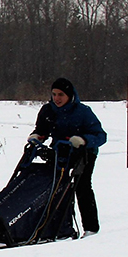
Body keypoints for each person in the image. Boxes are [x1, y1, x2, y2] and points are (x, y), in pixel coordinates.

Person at [27, 77, 107, 234]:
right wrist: (36, 137)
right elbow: (42, 130)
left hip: (84, 153)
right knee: (55, 186)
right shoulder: (47, 110)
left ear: (70, 96)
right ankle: (57, 226)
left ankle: (91, 228)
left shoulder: (83, 112)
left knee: (82, 186)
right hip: (60, 151)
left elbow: (101, 136)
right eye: (54, 94)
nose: (56, 98)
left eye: (61, 95)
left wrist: (83, 140)